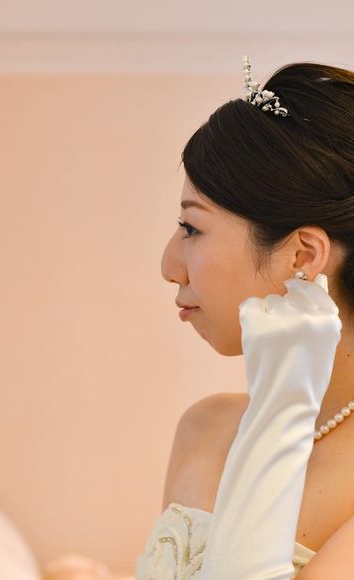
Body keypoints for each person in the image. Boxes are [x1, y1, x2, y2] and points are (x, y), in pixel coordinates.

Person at [135, 57, 354, 579]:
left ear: (303, 256)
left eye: (192, 228)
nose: (168, 266)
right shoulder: (204, 427)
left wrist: (281, 399)